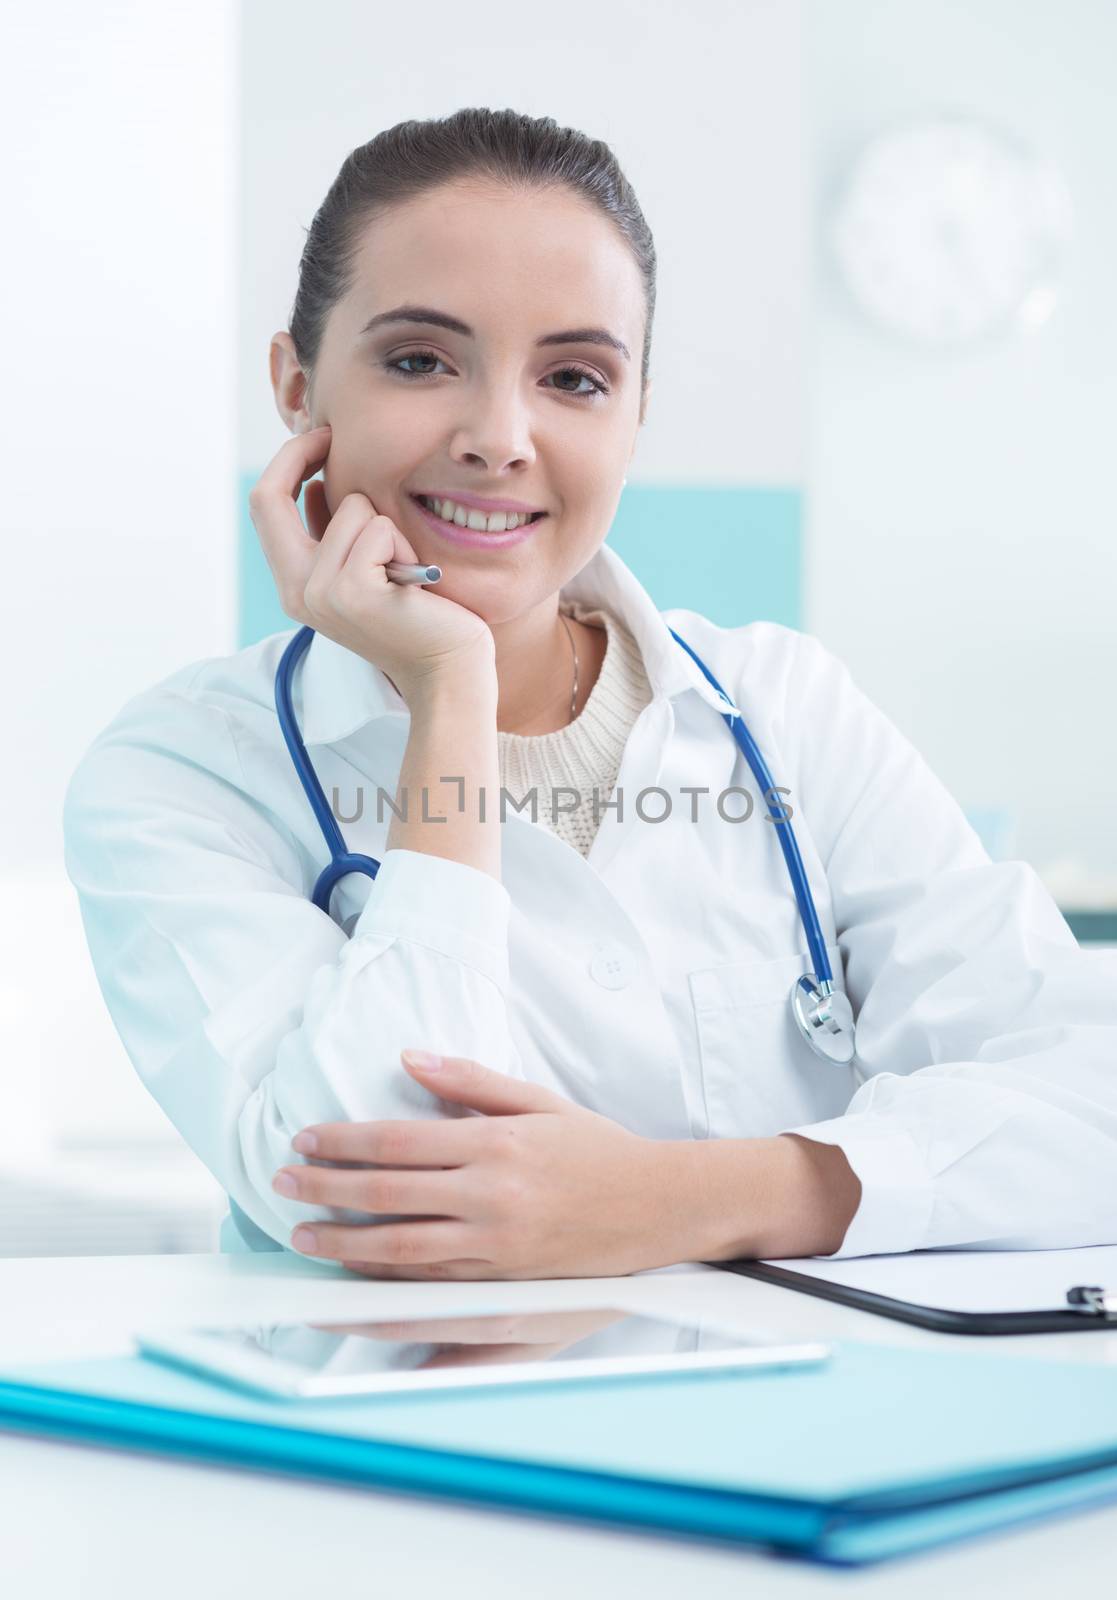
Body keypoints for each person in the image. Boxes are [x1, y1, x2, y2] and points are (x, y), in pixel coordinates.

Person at [63, 108, 1117, 1280]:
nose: (498, 437)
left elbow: (1089, 1110)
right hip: (402, 1448)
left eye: (574, 377)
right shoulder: (182, 771)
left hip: (804, 1431)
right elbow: (376, 1206)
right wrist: (447, 689)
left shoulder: (783, 707)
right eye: (419, 359)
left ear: (636, 414)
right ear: (298, 384)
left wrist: (676, 1198)